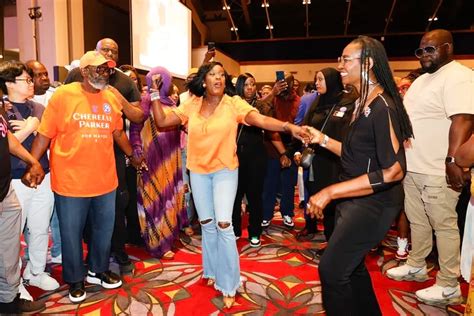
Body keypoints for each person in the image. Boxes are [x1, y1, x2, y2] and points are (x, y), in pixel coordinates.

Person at [149, 61, 309, 308]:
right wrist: (153, 95)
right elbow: (161, 122)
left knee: (224, 224)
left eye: (222, 75)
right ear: (204, 80)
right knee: (207, 224)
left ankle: (230, 283)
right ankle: (211, 270)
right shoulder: (191, 103)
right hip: (199, 172)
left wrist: (289, 127)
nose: (218, 78)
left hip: (225, 171)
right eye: (213, 74)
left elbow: (261, 120)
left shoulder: (233, 104)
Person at [306, 36, 413, 315]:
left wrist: (330, 192)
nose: (339, 65)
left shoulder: (382, 107)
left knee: (331, 270)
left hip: (375, 203)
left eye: (345, 59)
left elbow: (393, 171)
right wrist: (323, 140)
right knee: (350, 269)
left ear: (367, 63)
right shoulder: (359, 103)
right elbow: (356, 155)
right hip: (355, 197)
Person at [26, 51, 137, 303]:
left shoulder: (110, 97)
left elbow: (118, 133)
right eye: (99, 69)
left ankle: (97, 270)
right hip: (71, 182)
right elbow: (44, 133)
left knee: (103, 230)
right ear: (85, 72)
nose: (105, 73)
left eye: (108, 70)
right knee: (71, 233)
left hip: (105, 180)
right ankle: (75, 278)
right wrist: (33, 162)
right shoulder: (64, 96)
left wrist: (134, 156)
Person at [386, 29, 474, 306]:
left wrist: (451, 161)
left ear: (448, 48)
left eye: (431, 49)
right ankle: (417, 264)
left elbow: (464, 120)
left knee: (444, 226)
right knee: (417, 220)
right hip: (414, 166)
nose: (424, 55)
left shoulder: (459, 76)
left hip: (438, 168)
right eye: (421, 50)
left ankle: (448, 284)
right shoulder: (423, 80)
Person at [65, 38, 144, 272]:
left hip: (114, 153)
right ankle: (92, 255)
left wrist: (116, 97)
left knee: (116, 204)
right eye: (104, 49)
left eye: (114, 50)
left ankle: (118, 251)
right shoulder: (75, 76)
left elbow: (138, 116)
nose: (109, 53)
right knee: (85, 207)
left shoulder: (124, 81)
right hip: (81, 153)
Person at [0, 61, 59, 291]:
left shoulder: (38, 108)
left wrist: (32, 127)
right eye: (26, 79)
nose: (32, 83)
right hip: (15, 179)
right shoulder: (3, 110)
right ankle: (13, 283)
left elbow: (48, 137)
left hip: (43, 175)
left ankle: (35, 271)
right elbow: (9, 143)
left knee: (40, 226)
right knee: (12, 233)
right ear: (9, 84)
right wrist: (30, 128)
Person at [130, 66, 187, 259]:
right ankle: (157, 243)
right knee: (154, 199)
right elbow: (135, 129)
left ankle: (169, 237)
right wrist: (136, 150)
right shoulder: (146, 101)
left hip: (171, 159)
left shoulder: (171, 102)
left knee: (170, 198)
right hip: (152, 160)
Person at [294, 68, 355, 244]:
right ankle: (331, 242)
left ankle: (338, 244)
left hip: (338, 161)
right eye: (316, 79)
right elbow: (305, 127)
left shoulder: (348, 102)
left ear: (332, 81)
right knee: (323, 203)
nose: (317, 83)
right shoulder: (317, 102)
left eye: (321, 79)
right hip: (318, 161)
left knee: (337, 205)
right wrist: (299, 149)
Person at [0, 84, 46, 315]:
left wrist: (33, 161)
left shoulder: (0, 105)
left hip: (5, 190)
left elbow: (7, 138)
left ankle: (9, 301)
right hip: (9, 185)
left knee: (9, 249)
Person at [25, 60, 62, 264]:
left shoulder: (56, 97)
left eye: (46, 73)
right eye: (39, 75)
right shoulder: (21, 103)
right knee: (31, 218)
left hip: (56, 164)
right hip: (31, 165)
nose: (45, 78)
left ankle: (57, 251)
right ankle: (31, 256)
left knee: (55, 210)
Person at [231, 73, 272, 247]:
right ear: (240, 86)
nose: (250, 88)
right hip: (235, 156)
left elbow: (269, 124)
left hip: (256, 156)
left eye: (253, 84)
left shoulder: (261, 106)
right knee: (235, 196)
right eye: (246, 85)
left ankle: (255, 232)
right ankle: (234, 230)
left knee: (255, 196)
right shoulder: (231, 105)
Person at [261, 73, 301, 229]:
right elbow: (268, 125)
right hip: (272, 145)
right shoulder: (273, 100)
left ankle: (287, 213)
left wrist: (290, 152)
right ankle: (266, 215)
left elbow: (299, 126)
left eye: (288, 84)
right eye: (281, 83)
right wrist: (282, 153)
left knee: (288, 184)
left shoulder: (298, 101)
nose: (285, 86)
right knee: (269, 183)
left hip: (291, 145)